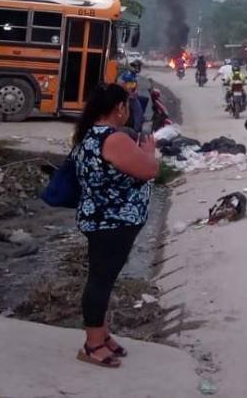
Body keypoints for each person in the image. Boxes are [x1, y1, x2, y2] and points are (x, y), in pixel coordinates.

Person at [72, 83, 158, 368]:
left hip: (99, 218)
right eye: (126, 106)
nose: (127, 112)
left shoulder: (88, 135)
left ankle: (103, 334)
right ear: (119, 108)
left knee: (103, 280)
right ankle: (92, 344)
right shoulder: (113, 138)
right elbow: (149, 170)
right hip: (112, 223)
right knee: (100, 281)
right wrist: (149, 151)